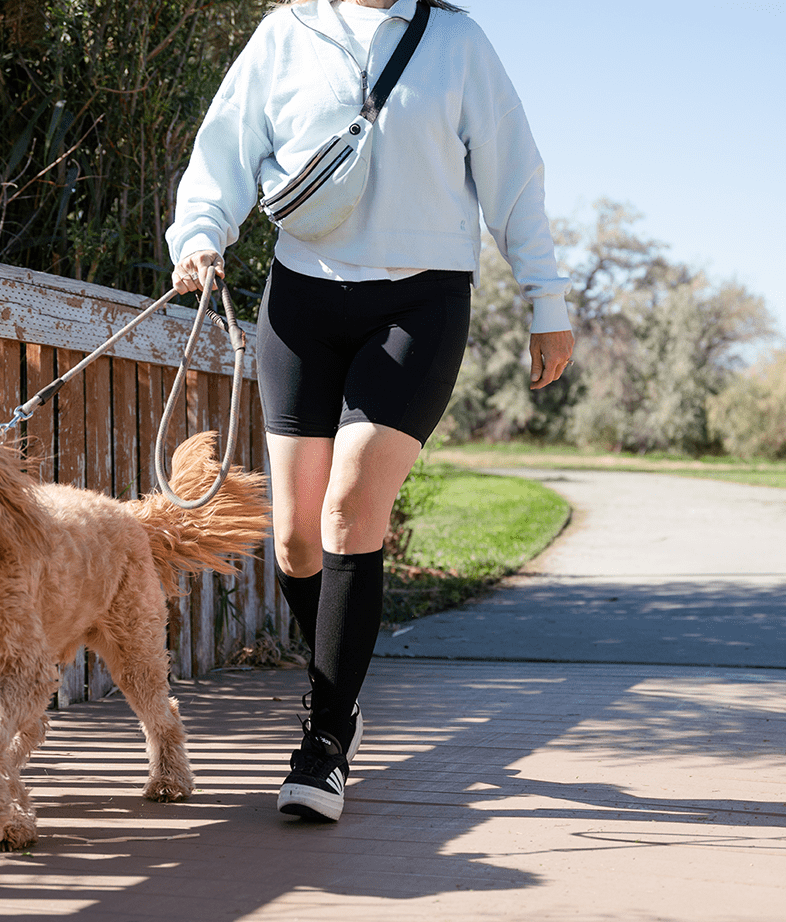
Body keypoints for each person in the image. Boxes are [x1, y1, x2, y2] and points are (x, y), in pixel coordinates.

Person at [166, 0, 574, 822]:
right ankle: (341, 696)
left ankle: (322, 744)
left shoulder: (456, 40)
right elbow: (226, 147)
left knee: (352, 505)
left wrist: (546, 295)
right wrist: (200, 234)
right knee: (293, 535)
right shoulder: (287, 33)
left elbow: (513, 172)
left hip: (420, 302)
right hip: (302, 299)